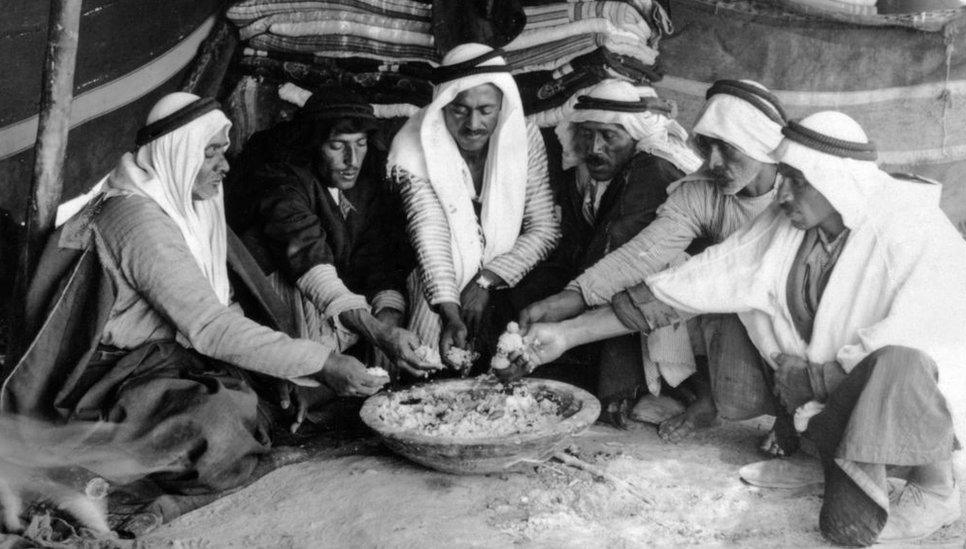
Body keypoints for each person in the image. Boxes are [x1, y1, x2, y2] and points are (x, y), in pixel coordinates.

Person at [512, 111, 966, 546]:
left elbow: (932, 339)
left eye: (797, 181)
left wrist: (814, 378)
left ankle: (935, 490)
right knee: (741, 318)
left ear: (839, 181)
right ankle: (825, 457)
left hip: (924, 418)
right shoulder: (791, 224)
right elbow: (686, 285)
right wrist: (569, 333)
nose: (783, 194)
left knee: (904, 361)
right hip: (834, 396)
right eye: (785, 178)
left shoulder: (911, 228)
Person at [1, 93, 386, 497]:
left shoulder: (189, 206)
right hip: (107, 380)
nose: (225, 165)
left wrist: (285, 368)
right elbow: (209, 326)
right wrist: (320, 362)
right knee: (219, 422)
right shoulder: (136, 220)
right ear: (178, 154)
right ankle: (103, 462)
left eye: (224, 151)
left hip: (162, 361)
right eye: (212, 153)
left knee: (276, 395)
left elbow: (219, 307)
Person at [521, 79, 788, 442]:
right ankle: (709, 398)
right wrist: (572, 300)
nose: (713, 163)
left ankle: (790, 415)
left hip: (788, 319)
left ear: (763, 146)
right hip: (735, 314)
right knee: (674, 272)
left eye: (728, 150)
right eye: (707, 147)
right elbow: (643, 254)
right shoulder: (702, 193)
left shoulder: (798, 198)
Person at [511, 78, 700, 412]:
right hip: (597, 276)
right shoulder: (585, 173)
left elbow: (623, 253)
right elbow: (573, 244)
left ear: (635, 136)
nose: (595, 147)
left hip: (658, 288)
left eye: (609, 136)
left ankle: (626, 390)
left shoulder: (653, 168)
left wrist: (565, 299)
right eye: (587, 134)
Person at [231, 88, 435, 379]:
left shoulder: (369, 174)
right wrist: (377, 332)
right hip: (279, 298)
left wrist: (388, 321)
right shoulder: (282, 178)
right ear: (313, 145)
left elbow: (379, 255)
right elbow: (307, 258)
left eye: (360, 143)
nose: (352, 159)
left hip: (339, 302)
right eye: (337, 145)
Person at [386, 43, 560, 369]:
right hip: (433, 272)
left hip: (507, 270)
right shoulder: (415, 143)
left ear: (502, 107)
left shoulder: (524, 136)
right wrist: (450, 311)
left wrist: (485, 281)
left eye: (486, 110)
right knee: (430, 360)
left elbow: (545, 228)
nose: (473, 124)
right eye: (460, 110)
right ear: (441, 106)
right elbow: (430, 232)